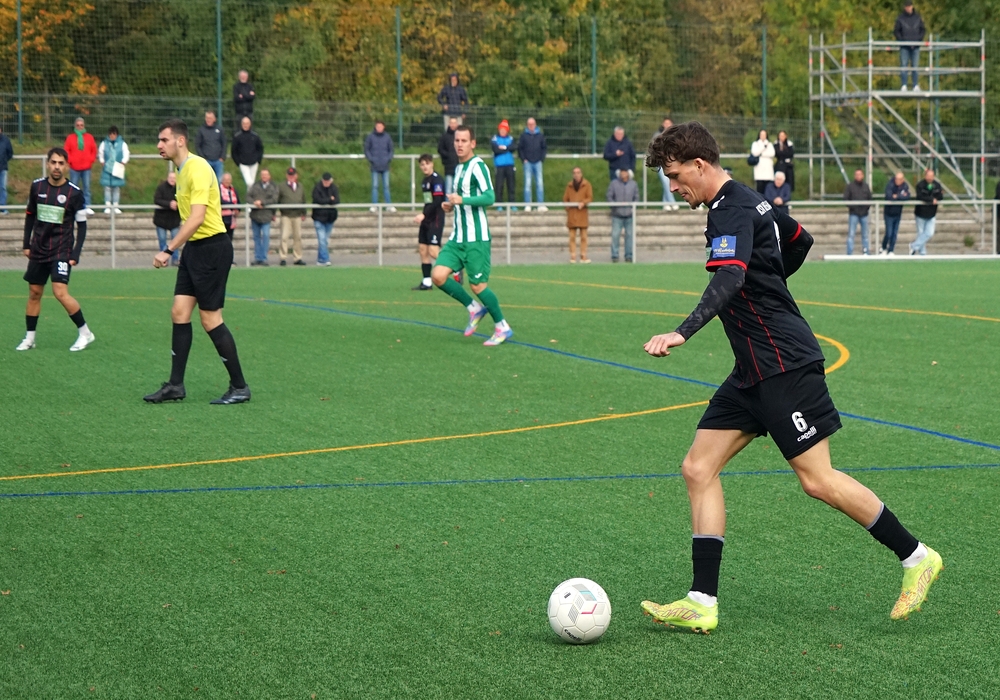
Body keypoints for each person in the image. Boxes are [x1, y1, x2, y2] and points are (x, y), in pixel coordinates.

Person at [639, 120, 942, 632]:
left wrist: (682, 331)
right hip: (752, 370)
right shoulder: (752, 199)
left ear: (699, 164)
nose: (672, 187)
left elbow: (730, 277)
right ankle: (701, 602)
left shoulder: (730, 209)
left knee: (817, 480)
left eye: (674, 175)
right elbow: (799, 239)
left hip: (783, 363)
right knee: (698, 468)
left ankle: (917, 557)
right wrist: (769, 280)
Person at [144, 118, 250, 405]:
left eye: (164, 139)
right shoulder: (181, 171)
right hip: (195, 249)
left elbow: (198, 217)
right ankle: (175, 385)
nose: (159, 145)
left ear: (180, 141)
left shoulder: (198, 167)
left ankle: (239, 386)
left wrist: (168, 249)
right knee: (179, 312)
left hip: (212, 248)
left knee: (210, 319)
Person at [432, 126, 513, 347]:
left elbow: (490, 197)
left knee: (478, 286)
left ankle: (502, 326)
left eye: (464, 141)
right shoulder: (459, 168)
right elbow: (462, 199)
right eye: (457, 140)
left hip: (476, 238)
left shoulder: (478, 166)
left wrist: (462, 200)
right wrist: (451, 205)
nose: (459, 144)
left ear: (473, 143)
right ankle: (473, 308)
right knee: (438, 276)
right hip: (458, 237)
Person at [16, 147, 94, 352]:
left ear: (66, 166)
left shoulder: (74, 193)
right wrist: (26, 244)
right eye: (53, 162)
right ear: (48, 164)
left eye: (61, 163)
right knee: (34, 293)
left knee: (60, 292)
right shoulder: (37, 187)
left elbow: (82, 225)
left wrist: (76, 252)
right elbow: (30, 215)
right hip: (38, 248)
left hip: (61, 249)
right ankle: (30, 338)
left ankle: (85, 332)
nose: (57, 167)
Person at [412, 154, 446, 290]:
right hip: (426, 219)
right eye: (422, 164)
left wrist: (423, 214)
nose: (425, 167)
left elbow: (438, 201)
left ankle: (455, 268)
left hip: (435, 219)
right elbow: (428, 201)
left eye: (427, 163)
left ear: (432, 164)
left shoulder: (437, 180)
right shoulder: (424, 181)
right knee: (422, 249)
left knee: (433, 251)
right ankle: (427, 282)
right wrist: (424, 215)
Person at [64, 117, 97, 215]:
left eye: (81, 125)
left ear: (84, 126)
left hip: (86, 167)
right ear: (75, 126)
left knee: (87, 188)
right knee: (73, 189)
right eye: (78, 125)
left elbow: (94, 150)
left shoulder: (89, 137)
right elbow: (66, 150)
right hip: (74, 168)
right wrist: (71, 161)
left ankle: (87, 206)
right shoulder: (70, 138)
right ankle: (74, 207)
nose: (80, 127)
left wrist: (90, 160)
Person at [247, 169, 279, 266]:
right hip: (255, 215)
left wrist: (262, 202)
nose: (264, 176)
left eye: (266, 174)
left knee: (265, 236)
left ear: (269, 176)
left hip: (266, 215)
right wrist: (254, 203)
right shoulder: (255, 185)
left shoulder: (273, 186)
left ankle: (264, 258)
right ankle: (257, 258)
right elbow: (248, 196)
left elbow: (274, 199)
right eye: (262, 174)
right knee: (256, 237)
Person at [277, 166, 306, 266]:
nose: (291, 177)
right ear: (286, 176)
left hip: (297, 215)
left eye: (293, 175)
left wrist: (304, 213)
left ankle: (297, 257)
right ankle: (283, 257)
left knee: (298, 237)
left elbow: (303, 200)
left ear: (296, 176)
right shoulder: (281, 186)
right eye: (289, 175)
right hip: (286, 215)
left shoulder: (300, 186)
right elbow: (277, 199)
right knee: (284, 237)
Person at [607, 168, 638, 263]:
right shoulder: (614, 184)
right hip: (617, 214)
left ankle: (629, 255)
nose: (623, 174)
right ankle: (615, 255)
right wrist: (614, 206)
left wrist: (633, 207)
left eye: (625, 172)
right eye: (621, 172)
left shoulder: (633, 184)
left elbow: (636, 197)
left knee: (629, 235)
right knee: (615, 235)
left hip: (629, 215)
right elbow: (609, 196)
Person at [563, 166, 593, 264]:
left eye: (578, 172)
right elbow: (565, 199)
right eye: (574, 173)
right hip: (572, 215)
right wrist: (568, 208)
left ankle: (583, 255)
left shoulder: (587, 185)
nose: (576, 175)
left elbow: (590, 197)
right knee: (572, 237)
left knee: (584, 237)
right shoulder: (569, 186)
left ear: (581, 174)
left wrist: (583, 202)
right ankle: (573, 256)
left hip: (582, 214)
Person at [364, 121, 395, 212]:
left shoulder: (387, 137)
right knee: (375, 186)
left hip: (385, 166)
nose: (379, 128)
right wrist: (371, 159)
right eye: (377, 126)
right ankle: (374, 205)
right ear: (375, 127)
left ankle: (389, 205)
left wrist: (388, 159)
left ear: (384, 127)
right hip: (374, 166)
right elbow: (366, 149)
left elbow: (391, 150)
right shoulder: (370, 137)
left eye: (380, 126)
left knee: (386, 186)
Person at [911, 168, 943, 255]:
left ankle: (913, 246)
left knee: (929, 233)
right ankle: (922, 252)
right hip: (920, 213)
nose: (930, 178)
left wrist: (936, 198)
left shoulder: (937, 185)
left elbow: (940, 196)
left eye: (931, 176)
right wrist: (931, 199)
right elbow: (920, 196)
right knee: (921, 233)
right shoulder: (920, 185)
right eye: (928, 176)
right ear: (925, 176)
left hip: (932, 213)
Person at [894, 1, 926, 91]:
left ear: (912, 6)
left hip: (916, 46)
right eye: (907, 6)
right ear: (904, 7)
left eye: (909, 6)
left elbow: (923, 30)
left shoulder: (917, 18)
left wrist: (918, 40)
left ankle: (915, 85)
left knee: (915, 66)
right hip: (904, 46)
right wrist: (902, 41)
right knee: (904, 65)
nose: (908, 8)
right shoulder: (900, 18)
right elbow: (896, 31)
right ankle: (904, 85)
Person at [98, 126, 129, 215]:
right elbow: (101, 153)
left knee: (116, 188)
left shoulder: (122, 144)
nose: (112, 135)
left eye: (114, 134)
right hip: (107, 169)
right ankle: (107, 206)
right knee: (107, 188)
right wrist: (102, 161)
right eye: (110, 134)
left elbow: (126, 153)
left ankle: (116, 206)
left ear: (117, 134)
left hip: (117, 168)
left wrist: (123, 162)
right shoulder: (104, 143)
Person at [518, 117, 548, 211]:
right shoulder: (523, 136)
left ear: (535, 124)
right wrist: (523, 159)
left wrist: (541, 159)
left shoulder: (540, 135)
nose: (531, 126)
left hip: (538, 162)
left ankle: (540, 204)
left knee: (540, 183)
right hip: (527, 162)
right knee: (527, 183)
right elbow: (520, 148)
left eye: (532, 124)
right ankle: (528, 205)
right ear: (527, 125)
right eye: (529, 124)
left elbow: (544, 148)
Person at [311, 172, 340, 267]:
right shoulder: (317, 188)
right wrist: (330, 199)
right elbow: (317, 200)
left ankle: (320, 259)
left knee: (325, 240)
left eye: (328, 181)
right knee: (322, 239)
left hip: (330, 218)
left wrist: (329, 200)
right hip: (318, 218)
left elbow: (337, 200)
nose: (326, 183)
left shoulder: (334, 188)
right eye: (325, 181)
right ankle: (326, 259)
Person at [153, 171, 181, 266]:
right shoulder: (161, 188)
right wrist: (169, 204)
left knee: (176, 240)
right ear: (167, 178)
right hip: (161, 220)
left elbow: (185, 200)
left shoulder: (179, 188)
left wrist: (177, 204)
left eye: (174, 178)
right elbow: (157, 200)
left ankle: (175, 259)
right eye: (171, 178)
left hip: (174, 220)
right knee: (162, 240)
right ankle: (163, 260)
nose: (172, 180)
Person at [880, 171, 910, 256]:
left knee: (894, 233)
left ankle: (891, 250)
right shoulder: (890, 184)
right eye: (896, 179)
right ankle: (883, 248)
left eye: (899, 179)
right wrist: (900, 196)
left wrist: (897, 196)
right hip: (889, 213)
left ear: (902, 180)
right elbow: (889, 196)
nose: (897, 181)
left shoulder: (905, 186)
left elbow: (907, 196)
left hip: (898, 213)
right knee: (889, 233)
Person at [843, 169, 872, 255]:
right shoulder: (850, 186)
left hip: (864, 214)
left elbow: (870, 198)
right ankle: (849, 253)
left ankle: (866, 251)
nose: (858, 176)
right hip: (854, 214)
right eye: (857, 174)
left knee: (865, 235)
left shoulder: (866, 186)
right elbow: (846, 198)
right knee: (851, 234)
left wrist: (866, 208)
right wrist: (853, 208)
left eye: (860, 174)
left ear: (862, 175)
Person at [231, 116, 263, 190]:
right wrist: (238, 162)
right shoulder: (237, 137)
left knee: (251, 183)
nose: (245, 125)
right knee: (249, 182)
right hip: (243, 163)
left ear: (250, 124)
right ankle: (255, 194)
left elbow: (260, 148)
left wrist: (258, 160)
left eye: (247, 123)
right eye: (244, 123)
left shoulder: (255, 136)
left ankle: (249, 197)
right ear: (241, 124)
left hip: (254, 163)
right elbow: (234, 150)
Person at [490, 119, 516, 210]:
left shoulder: (511, 138)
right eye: (501, 129)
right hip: (499, 165)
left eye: (504, 130)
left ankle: (512, 204)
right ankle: (499, 204)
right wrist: (507, 149)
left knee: (511, 185)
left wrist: (503, 148)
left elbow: (513, 147)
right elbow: (496, 150)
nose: (502, 131)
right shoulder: (495, 138)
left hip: (510, 165)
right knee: (499, 185)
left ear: (507, 130)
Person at [195, 111, 226, 183]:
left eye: (210, 118)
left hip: (218, 161)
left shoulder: (220, 129)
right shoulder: (201, 130)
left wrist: (222, 157)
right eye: (207, 118)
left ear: (214, 119)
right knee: (206, 181)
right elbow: (197, 145)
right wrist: (203, 158)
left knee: (218, 181)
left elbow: (224, 143)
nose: (208, 119)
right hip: (206, 161)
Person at [655, 118, 679, 210]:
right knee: (666, 181)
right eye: (666, 123)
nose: (667, 124)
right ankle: (672, 202)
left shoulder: (676, 135)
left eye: (669, 123)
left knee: (668, 181)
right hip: (661, 162)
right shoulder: (658, 135)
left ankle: (665, 203)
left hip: (671, 162)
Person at [438, 117, 460, 194]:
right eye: (451, 123)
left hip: (459, 166)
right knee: (448, 189)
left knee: (457, 190)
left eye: (454, 123)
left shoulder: (459, 136)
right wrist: (448, 156)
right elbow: (440, 149)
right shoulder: (444, 137)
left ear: (457, 124)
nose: (453, 125)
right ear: (449, 124)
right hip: (448, 167)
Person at [750, 129, 775, 195]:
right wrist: (763, 147)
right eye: (761, 134)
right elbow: (755, 153)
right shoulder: (755, 144)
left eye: (764, 134)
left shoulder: (769, 144)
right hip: (759, 170)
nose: (763, 136)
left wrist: (761, 154)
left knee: (768, 190)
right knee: (760, 190)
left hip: (768, 170)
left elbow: (772, 153)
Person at [220, 172, 239, 238]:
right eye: (225, 180)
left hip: (232, 218)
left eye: (228, 180)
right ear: (222, 180)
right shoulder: (218, 189)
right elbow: (220, 201)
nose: (227, 181)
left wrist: (237, 210)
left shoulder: (234, 190)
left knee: (230, 238)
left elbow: (238, 202)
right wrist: (232, 205)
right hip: (221, 218)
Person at [0, 124, 13, 214]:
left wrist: (4, 160)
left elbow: (10, 153)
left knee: (3, 187)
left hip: (3, 168)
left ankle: (2, 207)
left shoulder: (6, 140)